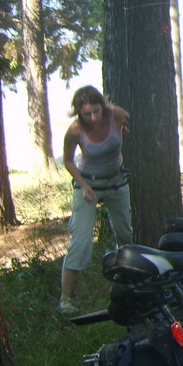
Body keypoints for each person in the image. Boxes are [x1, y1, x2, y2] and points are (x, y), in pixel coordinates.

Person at [59, 85, 133, 314]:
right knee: (80, 241)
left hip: (116, 181)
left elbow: (131, 121)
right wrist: (83, 186)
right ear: (79, 113)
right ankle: (66, 299)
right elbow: (68, 160)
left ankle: (129, 283)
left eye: (95, 111)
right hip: (89, 183)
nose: (92, 117)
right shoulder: (75, 130)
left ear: (103, 106)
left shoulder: (116, 114)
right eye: (86, 114)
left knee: (126, 234)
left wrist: (127, 125)